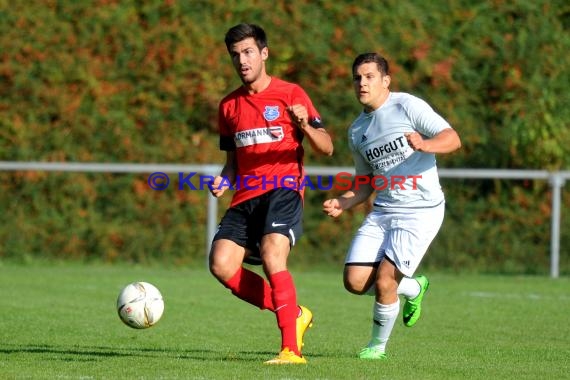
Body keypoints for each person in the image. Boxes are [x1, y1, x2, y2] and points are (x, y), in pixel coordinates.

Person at [207, 23, 333, 365]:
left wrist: (305, 124)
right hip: (245, 196)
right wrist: (223, 181)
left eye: (248, 52)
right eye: (235, 55)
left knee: (272, 254)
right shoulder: (228, 106)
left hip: (284, 189)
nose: (242, 60)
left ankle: (290, 350)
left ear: (264, 53)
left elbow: (327, 147)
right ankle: (293, 312)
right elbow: (232, 163)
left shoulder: (291, 94)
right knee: (220, 264)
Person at [323, 52, 461, 360]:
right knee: (355, 282)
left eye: (370, 76)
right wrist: (342, 203)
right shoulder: (357, 130)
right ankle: (413, 288)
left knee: (385, 279)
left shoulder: (406, 106)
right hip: (383, 210)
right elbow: (365, 183)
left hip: (420, 211)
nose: (362, 83)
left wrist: (426, 144)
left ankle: (376, 348)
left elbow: (452, 138)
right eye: (357, 77)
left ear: (386, 81)